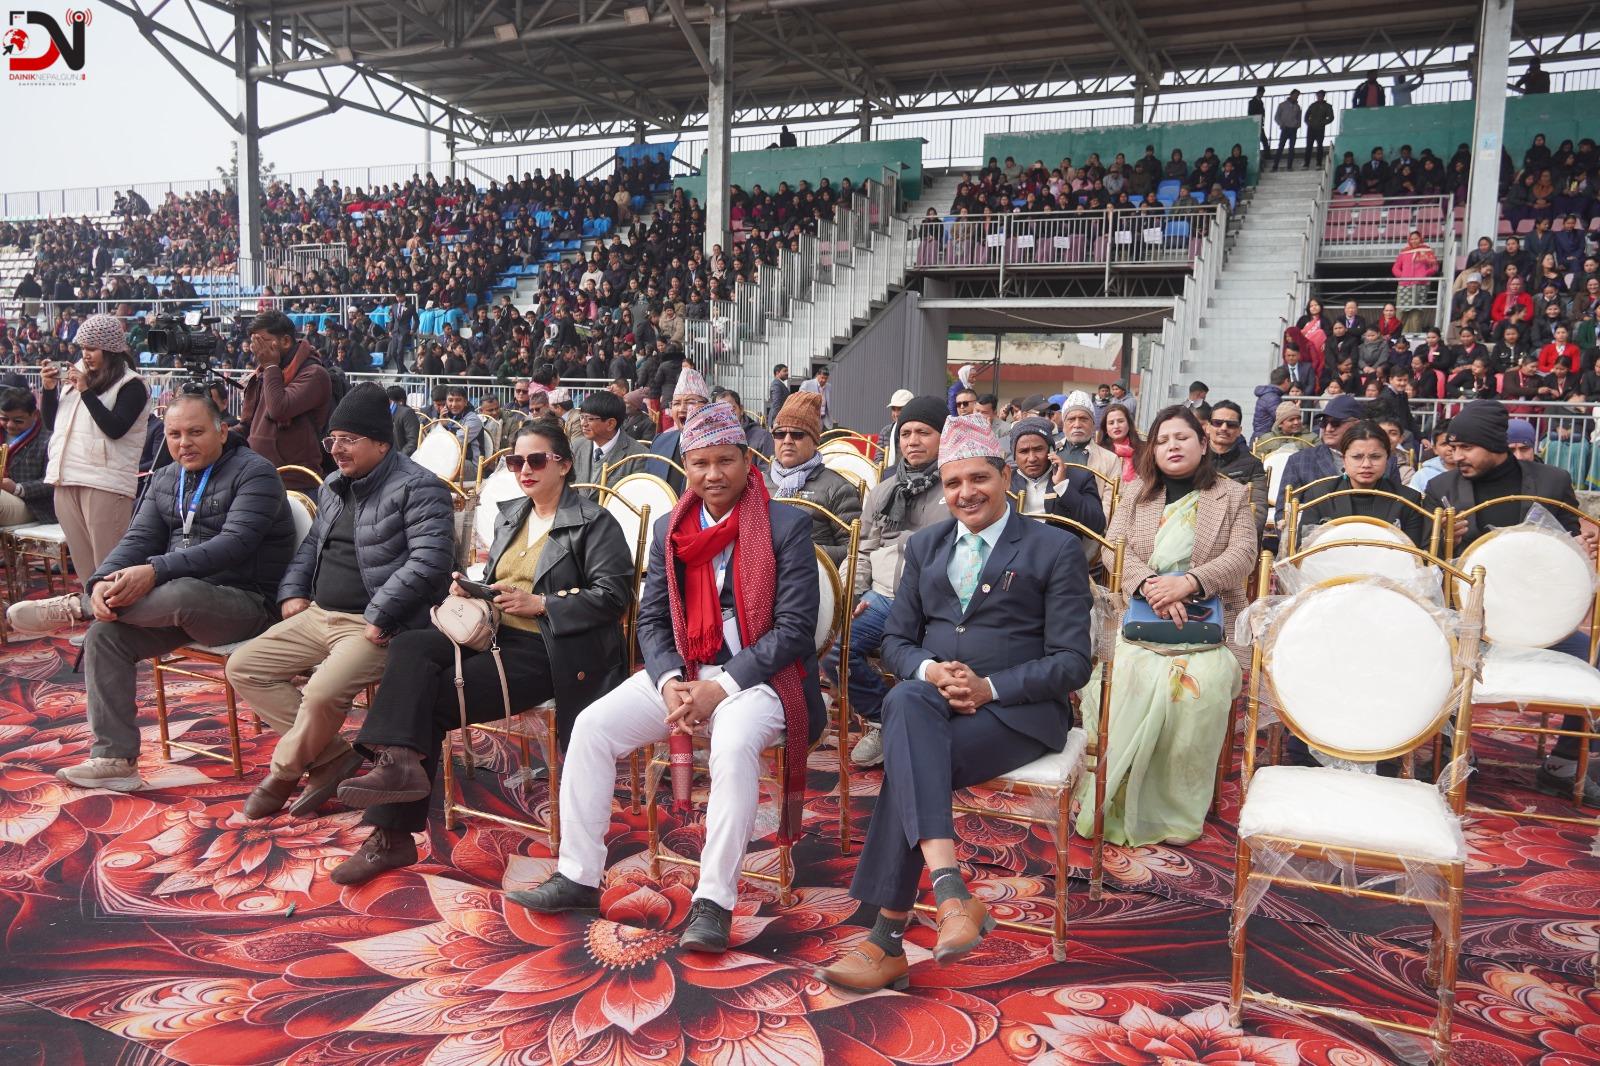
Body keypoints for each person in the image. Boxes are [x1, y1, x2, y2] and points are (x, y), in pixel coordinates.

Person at [505, 403, 825, 954]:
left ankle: (713, 901)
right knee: (592, 726)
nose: (713, 474)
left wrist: (721, 687)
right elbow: (651, 619)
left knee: (732, 742)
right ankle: (578, 876)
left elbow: (795, 630)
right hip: (687, 671)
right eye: (700, 463)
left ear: (748, 461)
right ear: (687, 467)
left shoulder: (786, 526)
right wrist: (671, 679)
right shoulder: (671, 528)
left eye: (725, 461)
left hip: (763, 679)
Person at [815, 416, 1093, 993]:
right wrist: (930, 669)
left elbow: (1073, 662)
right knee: (908, 698)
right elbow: (897, 641)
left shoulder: (1054, 548)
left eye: (978, 478)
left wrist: (991, 687)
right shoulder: (926, 545)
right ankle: (949, 892)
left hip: (1019, 713)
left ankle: (887, 939)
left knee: (909, 760)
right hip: (934, 702)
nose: (966, 492)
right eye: (954, 482)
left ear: (1006, 476)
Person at [328, 420, 636, 882]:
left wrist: (543, 604)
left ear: (564, 465)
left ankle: (391, 833)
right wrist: (473, 588)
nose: (524, 470)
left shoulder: (595, 521)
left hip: (551, 649)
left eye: (536, 460)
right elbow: (498, 579)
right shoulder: (512, 513)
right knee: (410, 644)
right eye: (516, 461)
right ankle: (397, 767)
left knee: (425, 703)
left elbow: (615, 597)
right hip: (492, 632)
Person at [10, 396, 295, 791]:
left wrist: (156, 570)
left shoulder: (255, 473)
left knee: (182, 592)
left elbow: (235, 545)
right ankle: (114, 760)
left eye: (195, 432)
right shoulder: (166, 477)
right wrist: (100, 582)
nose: (184, 443)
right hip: (172, 605)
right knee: (105, 636)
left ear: (222, 431)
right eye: (174, 434)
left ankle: (78, 609)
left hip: (245, 605)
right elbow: (136, 540)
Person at [227, 385, 456, 819]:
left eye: (348, 440)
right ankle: (333, 756)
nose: (335, 450)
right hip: (319, 614)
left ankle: (282, 774)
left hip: (378, 624)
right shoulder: (334, 485)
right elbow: (312, 546)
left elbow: (430, 562)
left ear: (382, 443)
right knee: (244, 666)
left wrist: (382, 613)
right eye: (332, 439)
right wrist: (293, 591)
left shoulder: (420, 488)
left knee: (320, 694)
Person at [1078, 406, 1256, 847]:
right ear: (1151, 450)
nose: (1172, 446)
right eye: (1162, 440)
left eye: (1182, 437)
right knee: (1128, 677)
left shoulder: (1231, 495)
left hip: (1211, 623)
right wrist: (1152, 587)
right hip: (1142, 615)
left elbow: (1243, 556)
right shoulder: (1135, 493)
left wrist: (1189, 582)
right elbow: (1112, 549)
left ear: (1203, 443)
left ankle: (1174, 809)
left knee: (1200, 689)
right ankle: (1120, 795)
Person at [1422, 400, 1598, 802]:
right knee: (1434, 649)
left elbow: (1571, 544)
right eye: (1453, 446)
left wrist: (1584, 541)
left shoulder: (1551, 481)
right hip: (1469, 626)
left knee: (1594, 654)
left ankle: (1563, 763)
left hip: (1542, 625)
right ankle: (1455, 751)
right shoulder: (1442, 489)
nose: (1456, 456)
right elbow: (1427, 566)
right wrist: (1443, 540)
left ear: (1494, 445)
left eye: (1466, 447)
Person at [845, 397, 949, 768]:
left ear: (943, 436)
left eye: (924, 432)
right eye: (905, 433)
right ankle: (882, 718)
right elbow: (862, 550)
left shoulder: (956, 487)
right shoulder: (885, 491)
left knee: (931, 656)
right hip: (883, 596)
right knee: (835, 646)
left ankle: (919, 724)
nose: (913, 441)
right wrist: (852, 595)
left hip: (935, 602)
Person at [40, 313, 151, 579]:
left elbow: (115, 428)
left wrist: (86, 391)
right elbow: (51, 423)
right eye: (82, 348)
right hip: (66, 477)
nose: (85, 354)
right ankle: (91, 603)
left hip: (105, 483)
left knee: (110, 568)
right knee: (85, 568)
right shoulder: (77, 376)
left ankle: (116, 607)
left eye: (92, 348)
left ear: (110, 349)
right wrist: (48, 389)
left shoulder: (131, 384)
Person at [1293, 419, 1428, 548]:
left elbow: (1414, 556)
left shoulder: (1407, 500)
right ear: (1344, 459)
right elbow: (1304, 550)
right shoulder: (1320, 495)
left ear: (1387, 459)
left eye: (1375, 457)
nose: (1366, 464)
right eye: (1357, 457)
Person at [240, 310, 333, 493]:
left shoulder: (314, 374)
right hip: (257, 477)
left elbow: (279, 409)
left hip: (296, 483)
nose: (256, 349)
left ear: (285, 341)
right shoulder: (267, 373)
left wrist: (270, 366)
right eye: (253, 342)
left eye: (262, 341)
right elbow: (248, 425)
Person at [764, 392, 861, 564]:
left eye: (797, 434)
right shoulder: (758, 482)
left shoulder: (838, 488)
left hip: (811, 576)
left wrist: (805, 552)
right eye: (779, 434)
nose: (787, 440)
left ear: (815, 441)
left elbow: (854, 550)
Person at [1275, 393, 1387, 516]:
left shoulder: (1385, 461)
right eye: (1324, 423)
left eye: (1336, 423)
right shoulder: (1299, 461)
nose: (1328, 429)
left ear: (1357, 424)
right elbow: (1283, 513)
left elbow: (1395, 505)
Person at [1008, 417, 1105, 534]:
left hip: (1061, 545)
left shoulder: (1080, 478)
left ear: (1051, 450)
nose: (1032, 458)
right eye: (1024, 451)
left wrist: (1063, 486)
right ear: (1014, 456)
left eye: (1038, 449)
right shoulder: (1005, 481)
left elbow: (1097, 526)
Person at [1205, 401, 1268, 536]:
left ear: (1239, 431)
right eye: (1217, 423)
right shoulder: (1194, 459)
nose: (1224, 428)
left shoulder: (1253, 464)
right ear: (1208, 427)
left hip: (1235, 535)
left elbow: (1258, 511)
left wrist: (1237, 539)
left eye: (1231, 424)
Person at [645, 365, 710, 494]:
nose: (682, 409)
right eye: (676, 403)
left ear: (707, 407)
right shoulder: (660, 442)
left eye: (690, 402)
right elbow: (649, 487)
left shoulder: (718, 444)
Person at [571, 389, 645, 492]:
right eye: (582, 417)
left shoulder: (638, 455)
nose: (583, 423)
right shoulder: (576, 446)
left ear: (610, 424)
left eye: (590, 419)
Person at [0, 386, 54, 526]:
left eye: (18, 421)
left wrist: (17, 488)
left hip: (32, 505)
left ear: (35, 415)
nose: (10, 425)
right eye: (4, 418)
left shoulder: (49, 439)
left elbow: (53, 482)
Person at [1058, 391, 1120, 510]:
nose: (1077, 425)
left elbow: (1109, 505)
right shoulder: (1049, 452)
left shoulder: (1110, 460)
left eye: (1083, 419)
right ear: (1064, 424)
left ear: (1093, 424)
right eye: (1071, 419)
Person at [1097, 403, 1142, 483]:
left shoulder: (1144, 449)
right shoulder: (1099, 452)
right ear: (1105, 428)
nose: (1116, 426)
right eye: (1111, 423)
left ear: (1129, 424)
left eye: (1120, 421)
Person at [879, 388, 914, 470]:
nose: (896, 414)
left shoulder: (916, 432)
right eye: (893, 409)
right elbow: (879, 458)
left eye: (900, 409)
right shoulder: (886, 431)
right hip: (887, 474)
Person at [1272, 89, 1302, 171]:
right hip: (1285, 128)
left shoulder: (1298, 107)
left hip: (1293, 129)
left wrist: (1297, 125)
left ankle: (1289, 166)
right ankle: (1275, 166)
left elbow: (1299, 118)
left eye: (1297, 96)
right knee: (1280, 147)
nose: (1296, 97)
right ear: (1291, 95)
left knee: (1291, 148)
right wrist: (1281, 124)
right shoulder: (1282, 105)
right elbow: (1276, 117)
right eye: (1295, 95)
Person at [387, 386, 421, 457]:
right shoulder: (381, 413)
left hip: (400, 459)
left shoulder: (407, 413)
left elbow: (413, 442)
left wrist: (398, 458)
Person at [1304, 90, 1334, 168]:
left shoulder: (1327, 106)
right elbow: (1306, 116)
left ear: (1323, 96)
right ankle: (1306, 164)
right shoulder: (1312, 105)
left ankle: (1319, 163)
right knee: (1309, 146)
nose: (1319, 97)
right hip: (1311, 128)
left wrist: (1323, 123)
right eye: (1318, 96)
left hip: (1320, 129)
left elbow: (1331, 117)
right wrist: (1309, 123)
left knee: (1319, 146)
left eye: (1321, 96)